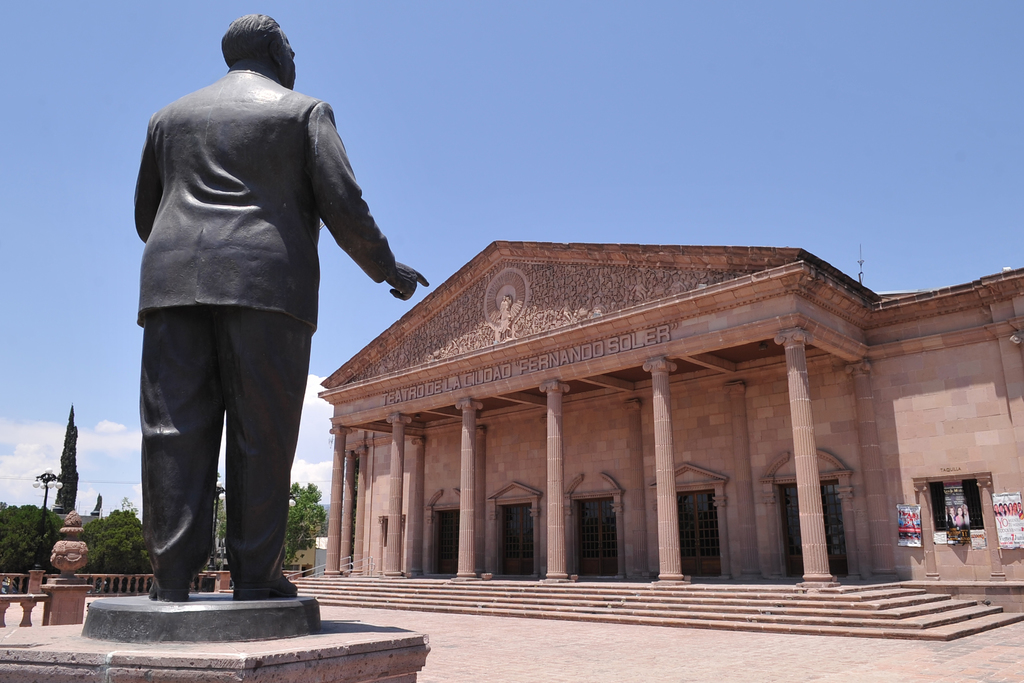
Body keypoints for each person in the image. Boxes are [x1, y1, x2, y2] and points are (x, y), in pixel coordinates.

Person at [134, 14, 427, 601]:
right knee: (262, 431)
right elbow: (343, 202)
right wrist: (386, 268)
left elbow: (147, 214)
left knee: (172, 430)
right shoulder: (302, 111)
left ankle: (169, 576)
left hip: (172, 283)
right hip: (267, 285)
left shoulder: (167, 118)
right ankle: (256, 575)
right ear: (275, 51)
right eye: (291, 48)